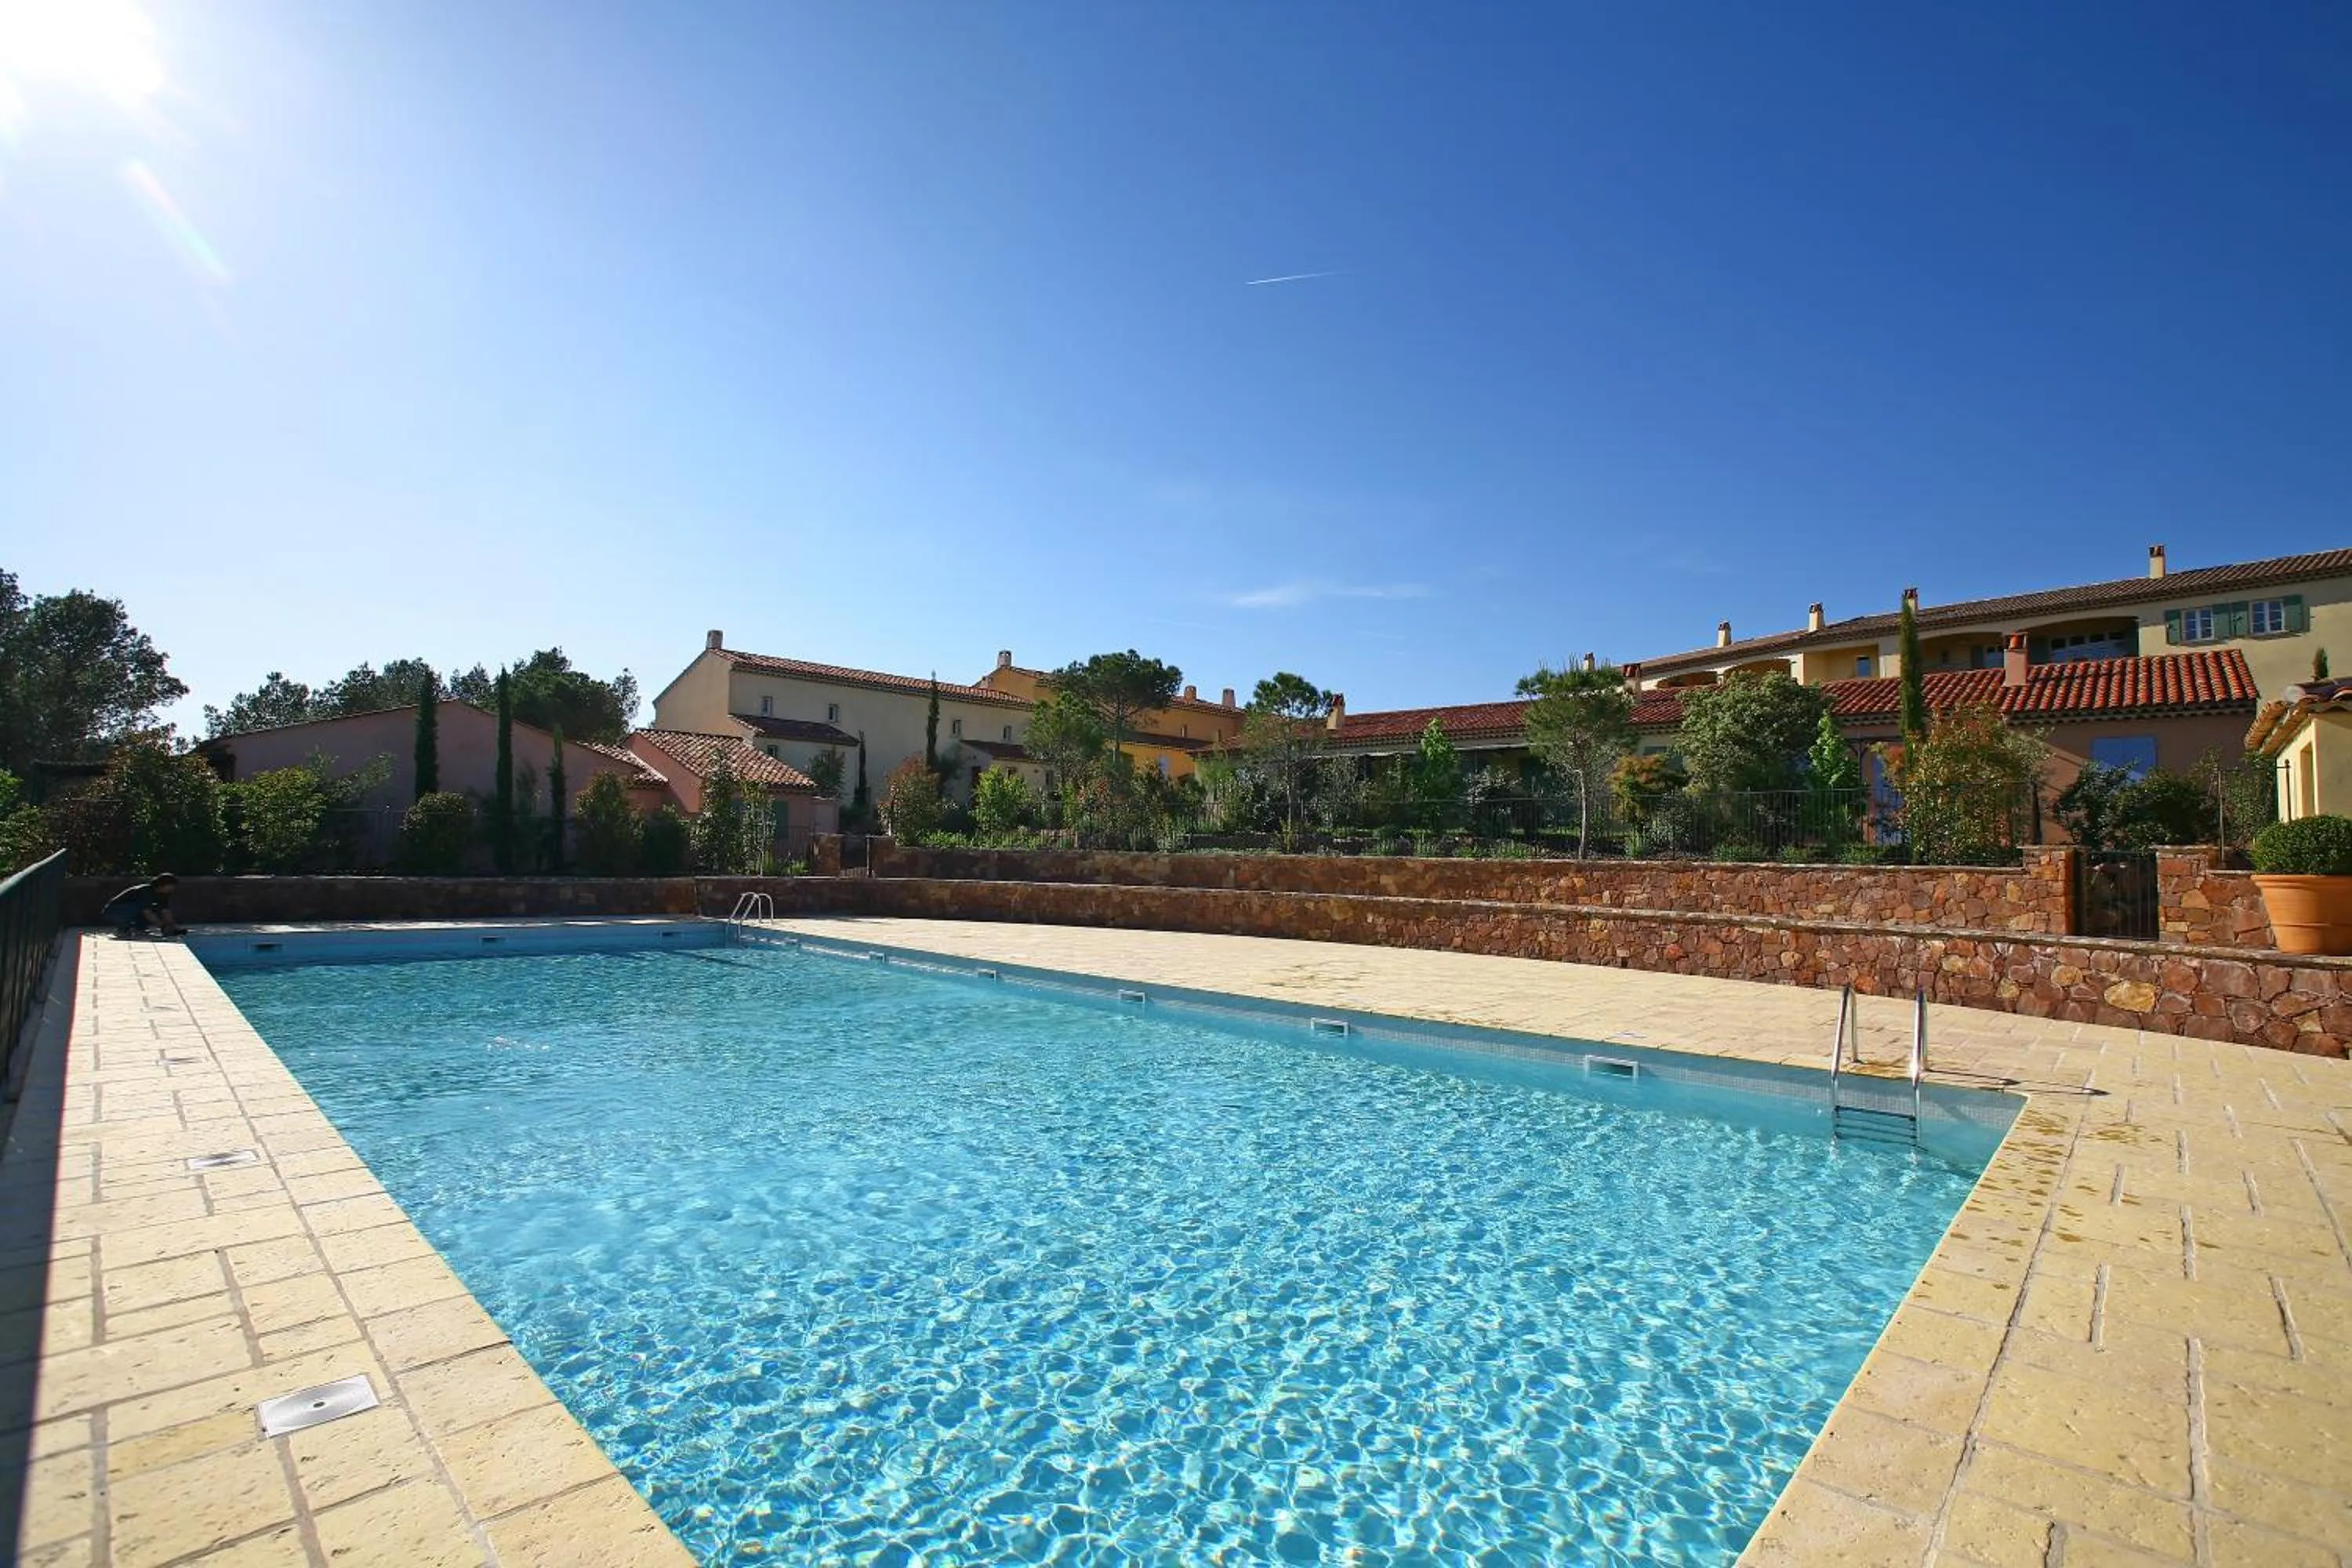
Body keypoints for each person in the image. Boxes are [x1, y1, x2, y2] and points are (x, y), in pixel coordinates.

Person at [102, 873, 182, 938]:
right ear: (162, 885)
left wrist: (172, 926)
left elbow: (165, 911)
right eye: (171, 885)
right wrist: (163, 927)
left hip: (131, 909)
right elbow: (147, 912)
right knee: (142, 908)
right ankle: (122, 930)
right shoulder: (146, 891)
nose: (173, 888)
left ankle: (140, 930)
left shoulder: (164, 894)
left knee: (152, 908)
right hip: (113, 911)